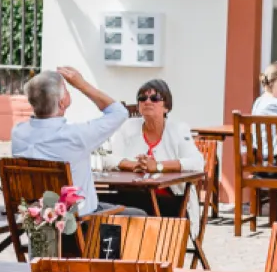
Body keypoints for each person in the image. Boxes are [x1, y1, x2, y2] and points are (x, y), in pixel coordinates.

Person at [11, 65, 138, 216]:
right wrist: (81, 84)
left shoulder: (18, 133)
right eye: (66, 89)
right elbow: (119, 112)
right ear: (62, 102)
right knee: (140, 215)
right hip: (81, 223)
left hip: (40, 221)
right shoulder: (77, 136)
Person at [105, 77, 203, 218]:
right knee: (97, 203)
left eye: (154, 98)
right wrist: (133, 165)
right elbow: (108, 158)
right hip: (131, 195)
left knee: (116, 208)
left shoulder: (178, 129)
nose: (147, 101)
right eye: (142, 98)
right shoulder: (128, 126)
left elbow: (197, 163)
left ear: (166, 106)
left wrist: (158, 166)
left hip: (171, 201)